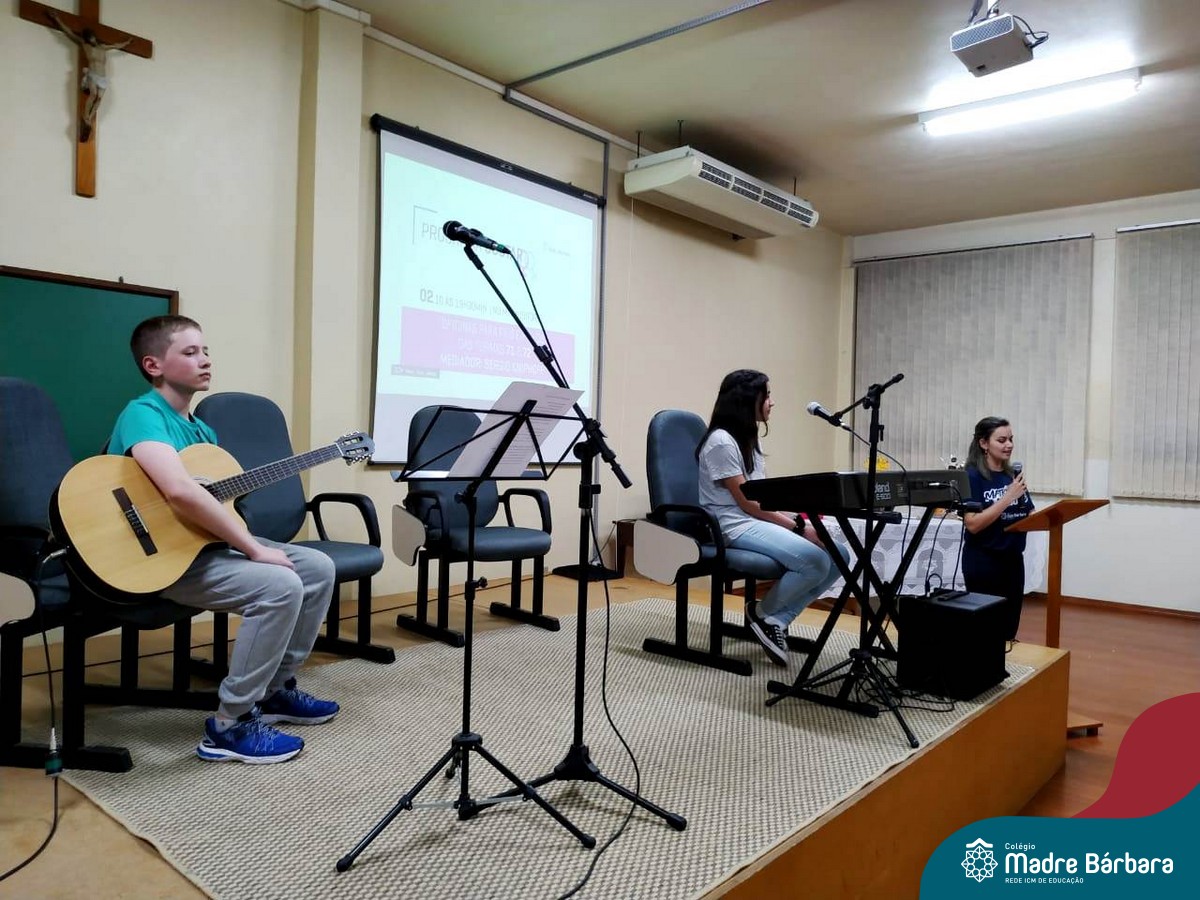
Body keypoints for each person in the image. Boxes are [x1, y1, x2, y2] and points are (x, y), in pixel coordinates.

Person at [108, 315, 339, 764]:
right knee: (280, 585)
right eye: (190, 352)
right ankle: (229, 725)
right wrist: (253, 548)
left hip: (201, 547)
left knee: (318, 568)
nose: (205, 360)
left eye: (206, 351)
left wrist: (239, 521)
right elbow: (179, 492)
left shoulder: (202, 432)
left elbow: (212, 503)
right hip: (159, 558)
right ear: (153, 365)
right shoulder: (143, 414)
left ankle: (273, 690)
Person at [696, 369, 848, 665]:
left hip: (753, 519)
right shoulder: (722, 441)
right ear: (747, 400)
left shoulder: (748, 437)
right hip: (730, 524)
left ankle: (775, 619)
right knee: (815, 560)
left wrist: (800, 518)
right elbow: (748, 503)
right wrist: (799, 528)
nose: (772, 402)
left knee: (839, 554)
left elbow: (763, 497)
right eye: (767, 395)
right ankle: (763, 614)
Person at [961, 416, 1034, 641]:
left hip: (1012, 561)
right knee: (986, 629)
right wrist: (1007, 497)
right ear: (984, 443)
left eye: (1011, 439)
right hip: (984, 561)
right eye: (1001, 440)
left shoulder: (1012, 475)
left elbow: (1028, 511)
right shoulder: (971, 476)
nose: (1009, 445)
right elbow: (973, 524)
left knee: (1009, 627)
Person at [50, 12, 132, 140]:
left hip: (103, 77)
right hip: (93, 74)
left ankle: (89, 119)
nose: (92, 39)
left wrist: (127, 42)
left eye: (92, 37)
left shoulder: (103, 47)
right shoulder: (85, 45)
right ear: (87, 39)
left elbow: (116, 45)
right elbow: (69, 33)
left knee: (99, 99)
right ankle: (85, 116)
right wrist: (57, 19)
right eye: (89, 38)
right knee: (93, 94)